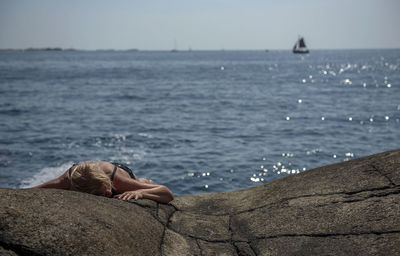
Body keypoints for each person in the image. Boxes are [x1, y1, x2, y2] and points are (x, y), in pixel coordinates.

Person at [33, 161, 174, 204]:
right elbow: (34, 191)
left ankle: (142, 181)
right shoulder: (65, 181)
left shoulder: (116, 180)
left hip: (116, 170)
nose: (108, 193)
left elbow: (166, 193)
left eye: (106, 188)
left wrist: (140, 192)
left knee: (137, 183)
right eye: (101, 194)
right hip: (85, 172)